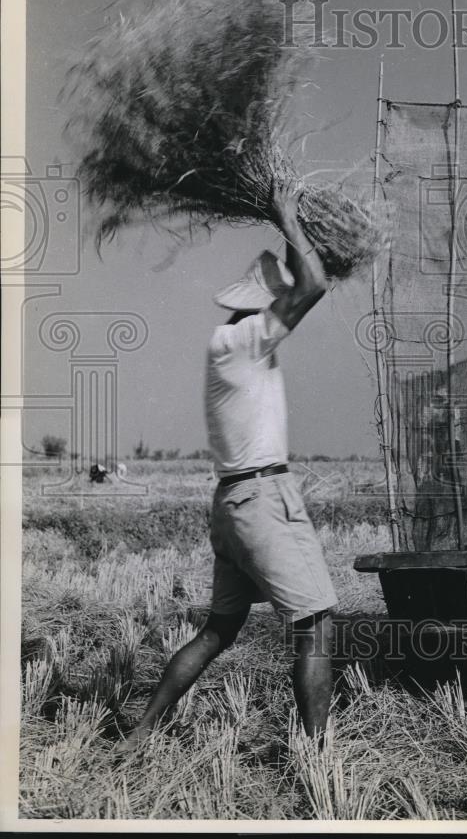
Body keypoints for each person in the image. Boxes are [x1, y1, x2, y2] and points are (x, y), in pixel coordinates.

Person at [116, 179, 337, 754]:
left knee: (219, 630)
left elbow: (298, 280)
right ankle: (317, 758)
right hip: (263, 502)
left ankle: (142, 732)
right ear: (262, 306)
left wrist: (293, 232)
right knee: (315, 625)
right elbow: (312, 284)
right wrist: (289, 215)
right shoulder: (243, 341)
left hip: (232, 506)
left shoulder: (232, 344)